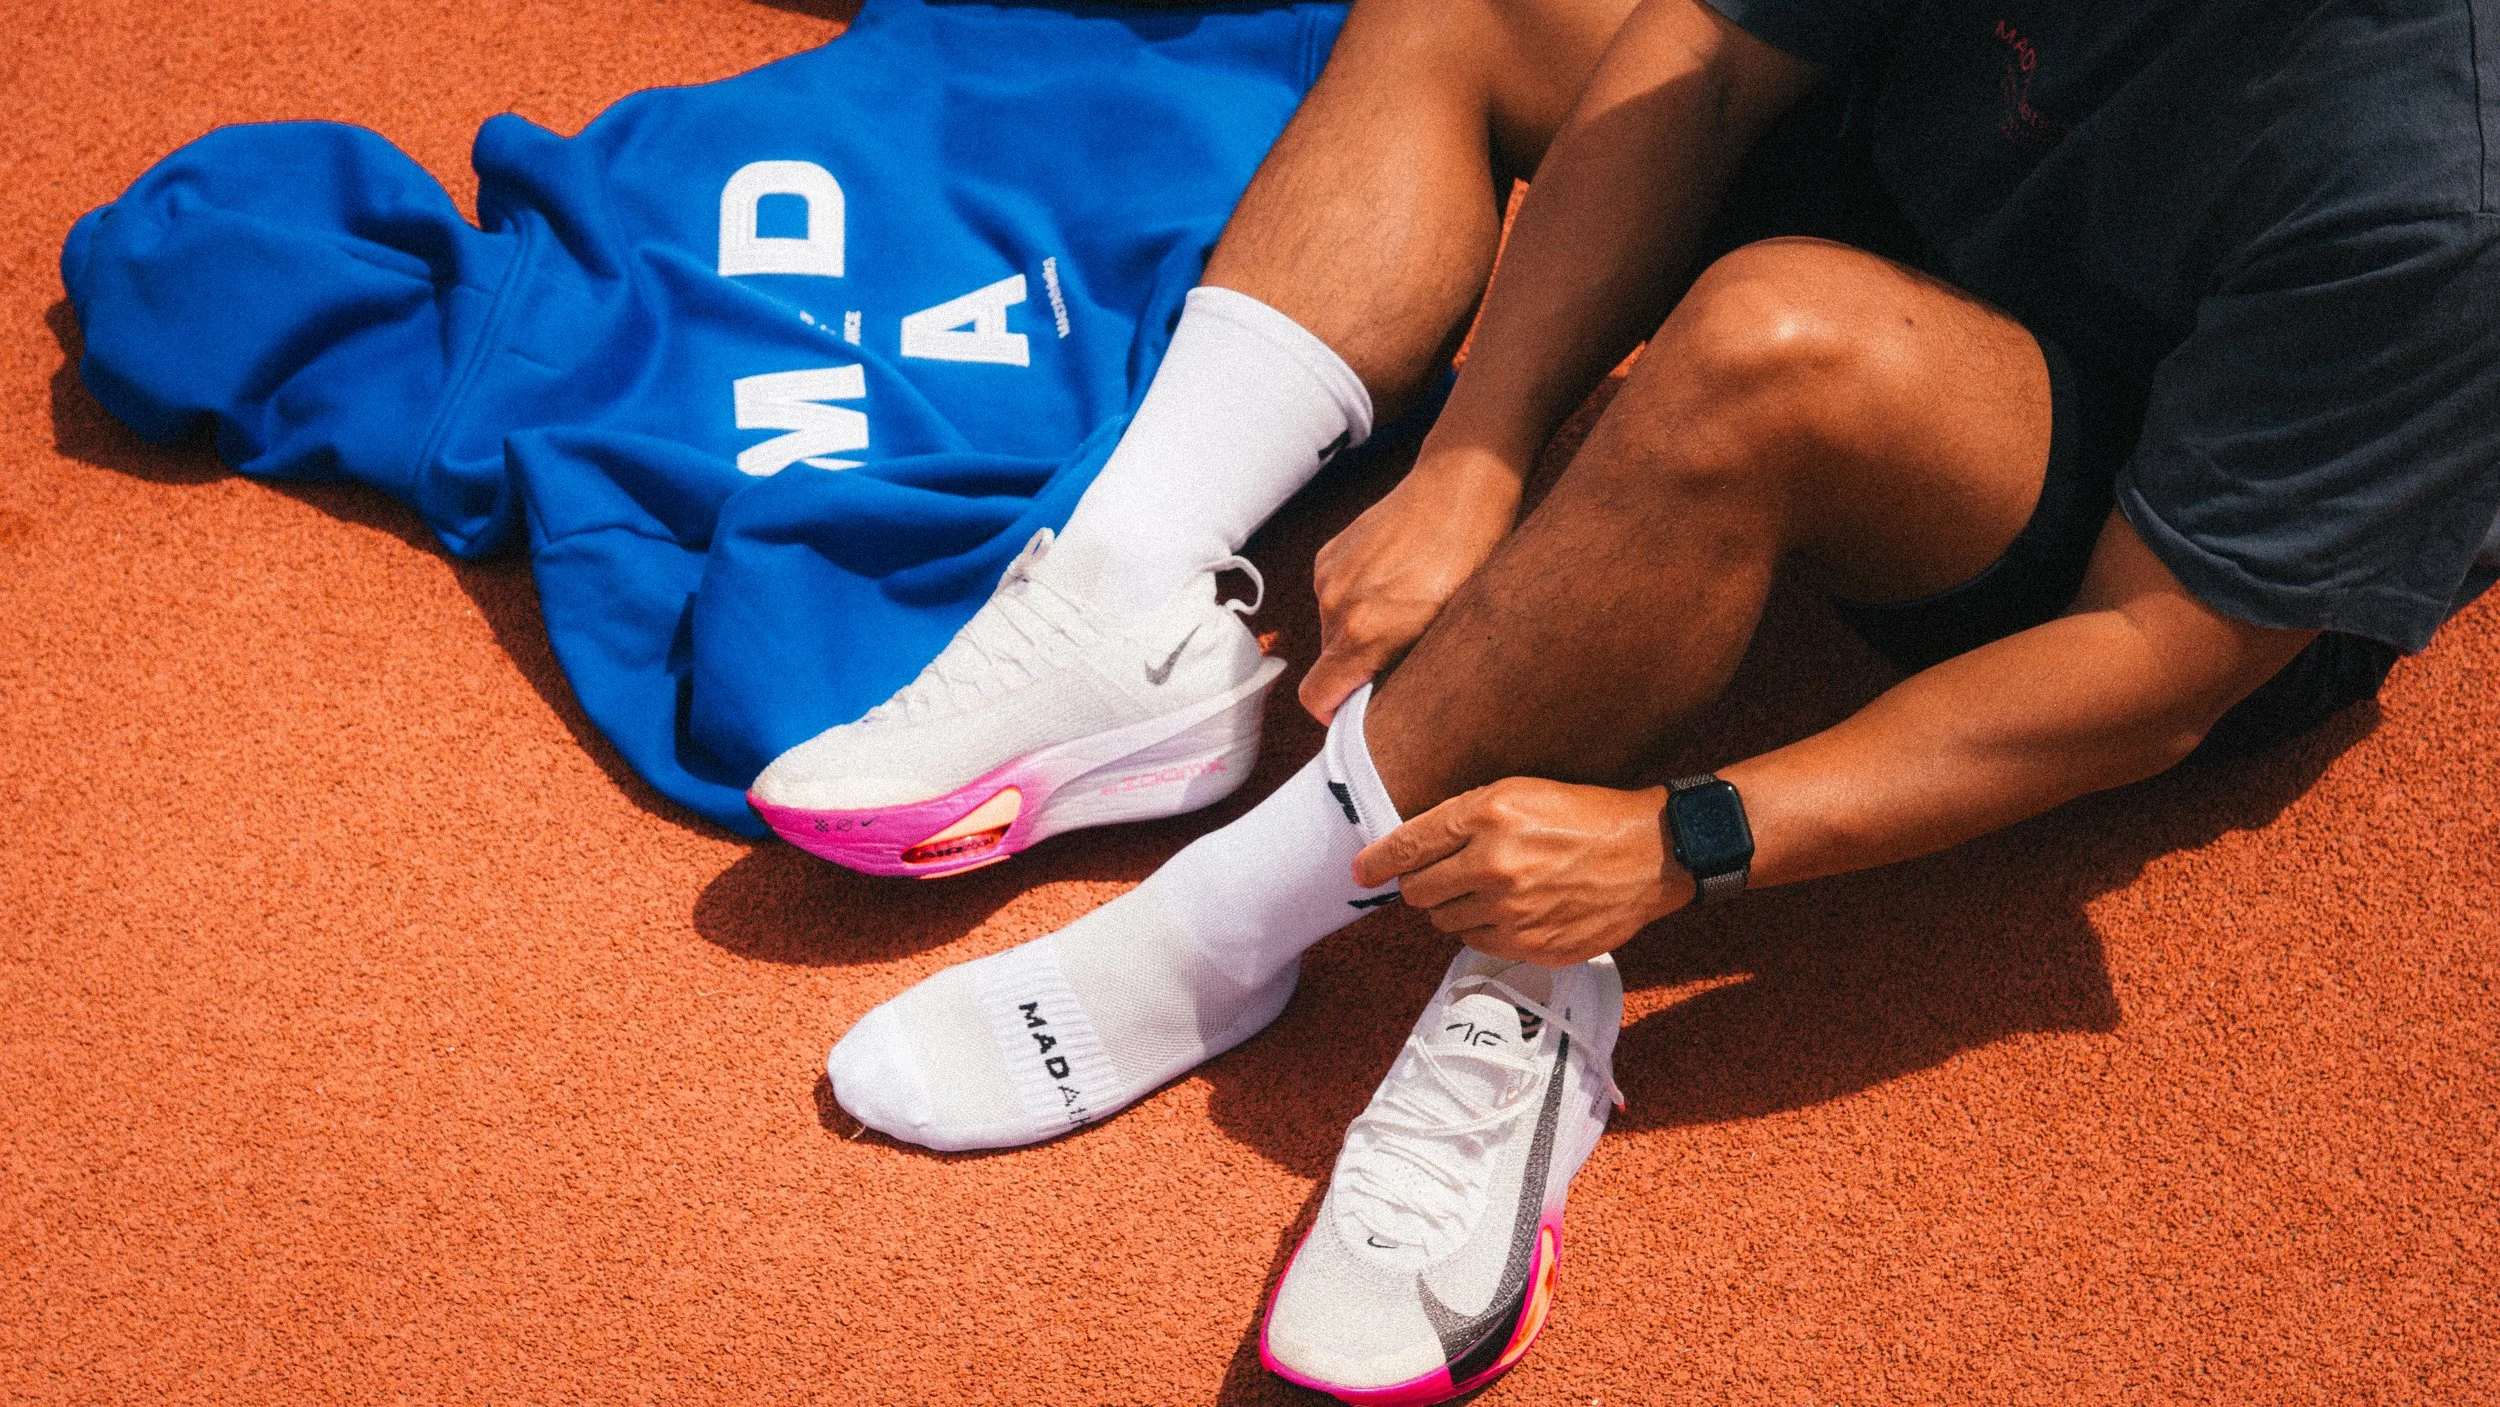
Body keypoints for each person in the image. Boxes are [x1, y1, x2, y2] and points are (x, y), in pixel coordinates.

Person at [758, 0, 2500, 1398]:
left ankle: (1228, 931)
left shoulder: (2436, 177)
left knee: (1762, 351)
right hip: (1936, 197)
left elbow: (2163, 668)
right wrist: (1477, 454)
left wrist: (1686, 838)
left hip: (2141, 521)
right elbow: (1713, 45)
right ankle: (1134, 584)